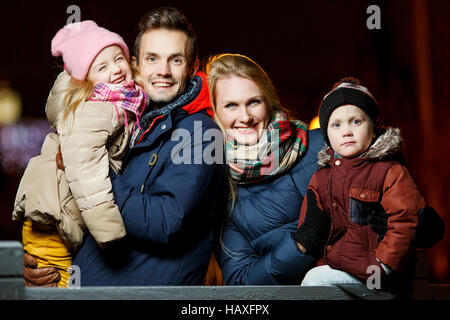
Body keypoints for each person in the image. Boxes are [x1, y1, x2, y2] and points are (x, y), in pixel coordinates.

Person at [23, 7, 226, 286]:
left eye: (176, 60)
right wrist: (47, 260)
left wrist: (92, 167)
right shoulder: (127, 119)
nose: (163, 71)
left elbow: (166, 222)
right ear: (135, 64)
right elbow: (81, 208)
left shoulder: (201, 133)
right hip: (82, 289)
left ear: (193, 67)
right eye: (152, 59)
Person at [13, 21, 147, 287]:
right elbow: (87, 174)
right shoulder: (97, 110)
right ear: (84, 80)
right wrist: (110, 233)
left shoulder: (121, 102)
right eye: (102, 67)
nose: (116, 69)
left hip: (62, 218)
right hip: (51, 224)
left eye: (118, 58)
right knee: (54, 287)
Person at [293, 77, 427, 293]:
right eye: (336, 125)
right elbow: (310, 223)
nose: (347, 131)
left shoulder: (389, 171)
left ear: (373, 128)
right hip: (340, 268)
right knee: (313, 278)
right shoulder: (322, 177)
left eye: (356, 121)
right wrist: (308, 238)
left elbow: (406, 218)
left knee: (314, 282)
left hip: (376, 275)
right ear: (327, 135)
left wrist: (384, 265)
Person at [206, 53, 326, 284]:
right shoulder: (222, 189)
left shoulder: (324, 144)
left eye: (254, 102)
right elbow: (241, 281)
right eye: (231, 105)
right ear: (215, 113)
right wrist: (300, 245)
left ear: (269, 101)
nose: (245, 117)